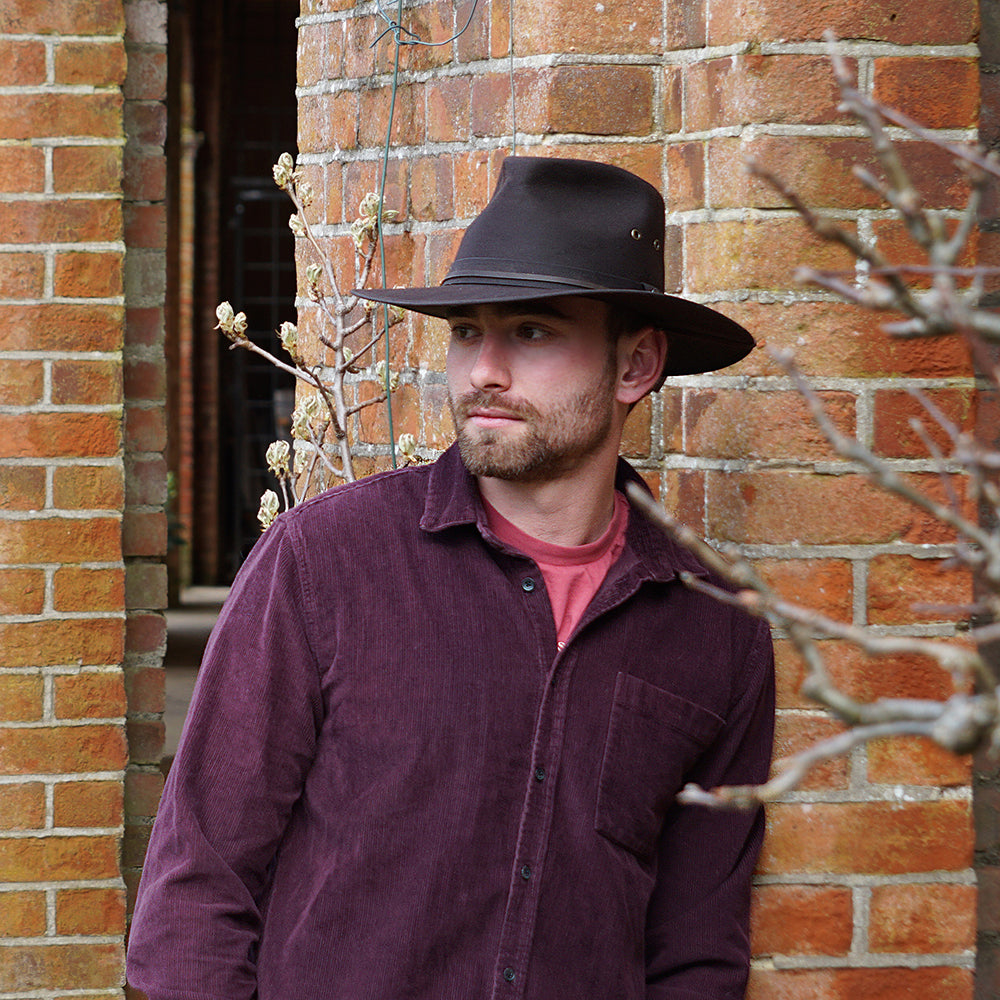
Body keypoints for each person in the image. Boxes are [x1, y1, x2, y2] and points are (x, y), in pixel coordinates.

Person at [127, 156, 774, 1000]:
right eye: (466, 332)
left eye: (531, 332)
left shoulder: (714, 628)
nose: (482, 371)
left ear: (636, 365)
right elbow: (196, 885)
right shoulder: (327, 562)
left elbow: (698, 950)